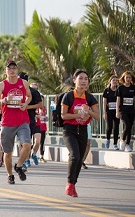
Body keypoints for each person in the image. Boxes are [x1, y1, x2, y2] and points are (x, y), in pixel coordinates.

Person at [0, 60, 32, 185]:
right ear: (5, 71)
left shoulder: (23, 83)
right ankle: (10, 175)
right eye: (10, 69)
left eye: (14, 68)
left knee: (27, 145)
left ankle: (18, 166)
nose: (12, 70)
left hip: (22, 121)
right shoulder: (1, 85)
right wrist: (4, 100)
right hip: (7, 122)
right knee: (8, 152)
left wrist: (25, 103)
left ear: (17, 70)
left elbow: (29, 96)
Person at [61, 69, 99, 197]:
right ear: (74, 80)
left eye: (86, 79)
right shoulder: (69, 96)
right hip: (69, 130)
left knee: (80, 159)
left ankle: (73, 184)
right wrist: (77, 114)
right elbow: (63, 115)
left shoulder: (90, 98)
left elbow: (98, 116)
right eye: (80, 78)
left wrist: (88, 111)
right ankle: (69, 184)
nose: (83, 81)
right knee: (75, 155)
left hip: (83, 130)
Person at [18, 72, 43, 168]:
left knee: (27, 142)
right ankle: (23, 161)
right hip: (17, 119)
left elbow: (40, 105)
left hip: (29, 119)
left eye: (23, 80)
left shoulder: (33, 92)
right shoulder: (15, 91)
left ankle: (26, 159)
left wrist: (27, 107)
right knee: (21, 142)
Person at [116, 71, 134, 152]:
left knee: (130, 127)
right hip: (123, 110)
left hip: (131, 110)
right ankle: (122, 140)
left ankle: (127, 144)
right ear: (123, 78)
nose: (128, 79)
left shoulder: (133, 88)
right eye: (127, 77)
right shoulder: (120, 88)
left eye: (130, 78)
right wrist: (117, 111)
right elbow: (118, 100)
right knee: (127, 125)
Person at [103, 76, 119, 150]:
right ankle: (108, 140)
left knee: (116, 127)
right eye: (113, 80)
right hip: (109, 111)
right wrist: (104, 113)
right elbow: (104, 102)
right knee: (109, 127)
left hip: (117, 111)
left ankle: (115, 144)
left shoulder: (118, 90)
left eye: (116, 80)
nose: (115, 81)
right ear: (110, 81)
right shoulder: (106, 90)